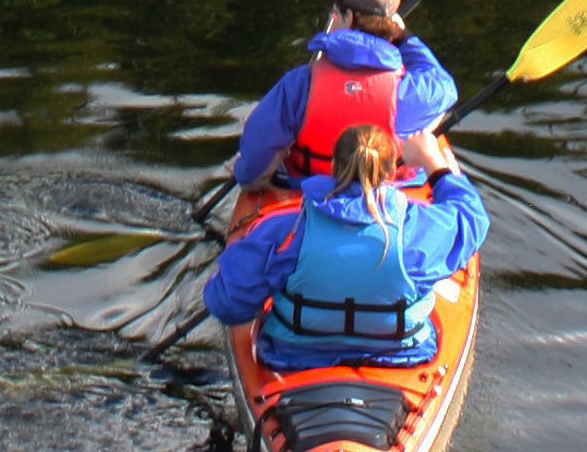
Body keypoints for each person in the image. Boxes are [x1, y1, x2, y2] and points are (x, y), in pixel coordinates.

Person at [201, 119, 489, 371]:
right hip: (400, 356)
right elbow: (472, 219)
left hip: (293, 357)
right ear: (392, 175)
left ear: (333, 168)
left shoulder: (286, 230)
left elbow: (225, 302)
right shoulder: (416, 231)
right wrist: (433, 164)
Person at [229, 0, 457, 193]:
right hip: (385, 191)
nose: (333, 20)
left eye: (336, 14)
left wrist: (247, 178)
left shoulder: (300, 84)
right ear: (390, 29)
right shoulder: (410, 92)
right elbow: (445, 85)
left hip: (307, 190)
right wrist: (405, 36)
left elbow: (257, 150)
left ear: (348, 19)